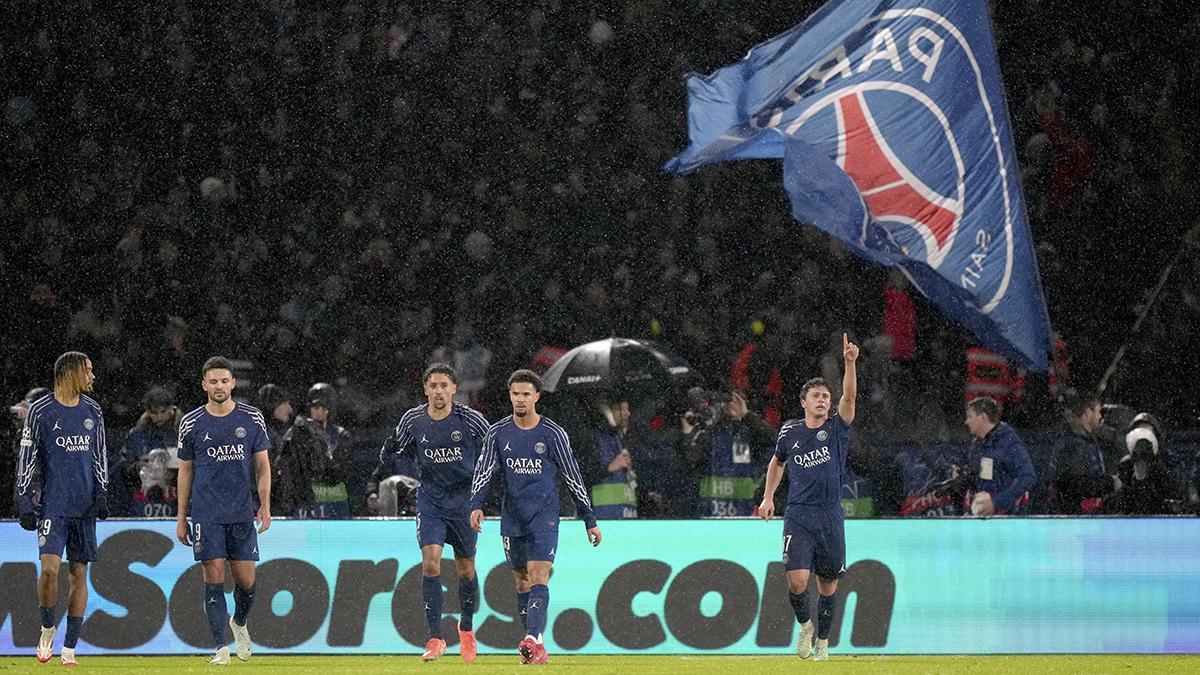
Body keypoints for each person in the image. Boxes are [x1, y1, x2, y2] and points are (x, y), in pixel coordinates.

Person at [468, 369, 601, 665]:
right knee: (521, 583)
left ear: (537, 397)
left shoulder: (552, 434)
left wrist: (588, 519)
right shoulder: (498, 433)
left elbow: (572, 475)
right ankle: (538, 644)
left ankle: (529, 638)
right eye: (516, 393)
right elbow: (483, 471)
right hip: (512, 516)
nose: (520, 399)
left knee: (539, 575)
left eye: (526, 394)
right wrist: (475, 504)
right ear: (510, 395)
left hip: (544, 515)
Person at [375, 363, 490, 662]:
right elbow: (396, 452)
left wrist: (483, 495)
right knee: (430, 564)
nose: (438, 391)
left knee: (466, 569)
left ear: (454, 389)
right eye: (433, 386)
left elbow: (494, 452)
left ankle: (466, 629)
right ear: (425, 389)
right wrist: (386, 455)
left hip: (463, 501)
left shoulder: (471, 420)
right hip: (431, 500)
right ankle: (436, 638)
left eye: (444, 386)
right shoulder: (412, 420)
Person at [759, 333, 858, 661]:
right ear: (803, 402)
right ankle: (804, 625)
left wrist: (849, 362)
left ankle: (824, 643)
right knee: (799, 581)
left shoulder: (836, 429)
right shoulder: (789, 431)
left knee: (828, 585)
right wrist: (768, 497)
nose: (822, 400)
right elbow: (778, 462)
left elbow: (850, 398)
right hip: (799, 513)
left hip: (830, 515)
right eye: (816, 396)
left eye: (826, 397)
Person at [175, 357, 272, 665]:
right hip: (207, 514)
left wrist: (265, 506)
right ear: (204, 385)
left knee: (246, 581)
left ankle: (239, 622)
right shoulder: (191, 422)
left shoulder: (252, 418)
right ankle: (221, 649)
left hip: (242, 513)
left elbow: (263, 467)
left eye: (224, 381)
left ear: (233, 383)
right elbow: (185, 471)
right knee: (213, 576)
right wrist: (181, 518)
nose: (218, 386)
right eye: (212, 381)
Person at [15, 352, 109, 666]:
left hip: (83, 507)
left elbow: (99, 457)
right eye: (89, 370)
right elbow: (26, 458)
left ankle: (69, 648)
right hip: (53, 506)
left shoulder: (93, 411)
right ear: (70, 372)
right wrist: (25, 500)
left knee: (79, 574)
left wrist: (102, 494)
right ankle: (46, 627)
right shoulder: (40, 411)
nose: (93, 376)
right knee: (49, 570)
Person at [680, 387, 776, 518]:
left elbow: (776, 441)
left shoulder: (749, 433)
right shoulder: (710, 432)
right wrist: (688, 434)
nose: (731, 405)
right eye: (726, 401)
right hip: (709, 511)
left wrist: (745, 415)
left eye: (736, 401)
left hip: (744, 510)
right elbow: (692, 459)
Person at [961, 396, 1036, 516]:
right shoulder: (976, 445)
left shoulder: (1008, 442)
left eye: (970, 416)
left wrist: (997, 503)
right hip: (984, 519)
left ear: (983, 417)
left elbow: (1028, 476)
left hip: (1007, 521)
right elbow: (982, 480)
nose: (966, 421)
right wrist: (963, 478)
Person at [1050, 392, 1120, 514]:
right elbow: (1076, 486)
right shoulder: (1076, 444)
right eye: (1098, 412)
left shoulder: (1084, 439)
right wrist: (1110, 482)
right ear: (1088, 413)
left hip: (1085, 517)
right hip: (1081, 521)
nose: (1100, 417)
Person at [119, 386, 182, 518]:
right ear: (147, 412)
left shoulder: (185, 432)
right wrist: (137, 467)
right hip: (143, 500)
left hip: (178, 499)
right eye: (154, 413)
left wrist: (179, 471)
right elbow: (123, 466)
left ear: (172, 408)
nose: (159, 417)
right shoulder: (137, 434)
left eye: (163, 411)